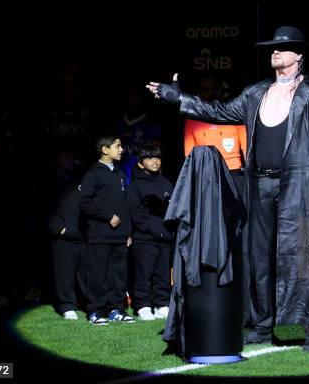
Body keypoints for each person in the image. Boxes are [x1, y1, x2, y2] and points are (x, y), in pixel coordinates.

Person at [146, 26, 309, 352]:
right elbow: (217, 112)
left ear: (298, 55)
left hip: (298, 184)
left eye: (282, 48)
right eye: (272, 48)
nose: (274, 52)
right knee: (259, 257)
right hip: (260, 184)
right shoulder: (256, 93)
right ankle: (262, 325)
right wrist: (179, 98)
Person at [79, 134, 135, 325]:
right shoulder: (93, 173)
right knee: (98, 275)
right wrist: (107, 216)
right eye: (117, 146)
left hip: (119, 237)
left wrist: (128, 232)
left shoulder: (120, 173)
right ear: (105, 150)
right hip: (99, 235)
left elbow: (125, 206)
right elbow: (84, 202)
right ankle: (95, 311)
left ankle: (116, 309)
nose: (121, 150)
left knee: (118, 275)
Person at [126, 143, 174, 321]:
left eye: (157, 157)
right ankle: (143, 306)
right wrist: (154, 230)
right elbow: (135, 214)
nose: (155, 160)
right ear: (140, 163)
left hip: (165, 238)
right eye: (149, 157)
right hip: (145, 238)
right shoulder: (135, 185)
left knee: (162, 273)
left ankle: (162, 303)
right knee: (144, 273)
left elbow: (173, 209)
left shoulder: (166, 182)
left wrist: (167, 231)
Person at [184, 76, 247, 196]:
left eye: (214, 88)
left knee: (238, 214)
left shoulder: (235, 116)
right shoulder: (191, 120)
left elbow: (247, 151)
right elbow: (188, 157)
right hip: (206, 176)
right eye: (205, 89)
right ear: (199, 92)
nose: (210, 93)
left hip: (234, 174)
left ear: (220, 90)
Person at [47, 145, 86, 320]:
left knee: (85, 271)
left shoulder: (79, 180)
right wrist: (59, 229)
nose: (71, 160)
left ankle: (84, 302)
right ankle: (67, 305)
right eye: (66, 156)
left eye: (72, 157)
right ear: (56, 160)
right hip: (62, 235)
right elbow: (45, 210)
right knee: (64, 272)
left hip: (80, 234)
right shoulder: (50, 183)